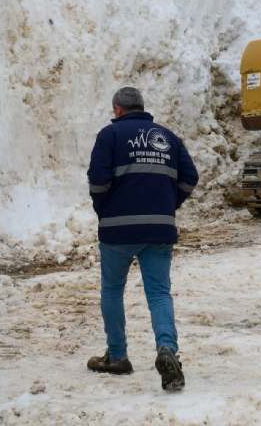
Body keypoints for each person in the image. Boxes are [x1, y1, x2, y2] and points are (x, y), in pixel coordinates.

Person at [85, 86, 198, 392]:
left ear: (117, 109)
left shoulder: (110, 136)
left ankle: (117, 356)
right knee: (159, 293)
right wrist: (167, 205)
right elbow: (190, 177)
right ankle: (167, 349)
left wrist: (104, 209)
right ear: (142, 107)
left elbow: (98, 179)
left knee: (112, 290)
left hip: (117, 229)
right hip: (159, 229)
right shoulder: (168, 137)